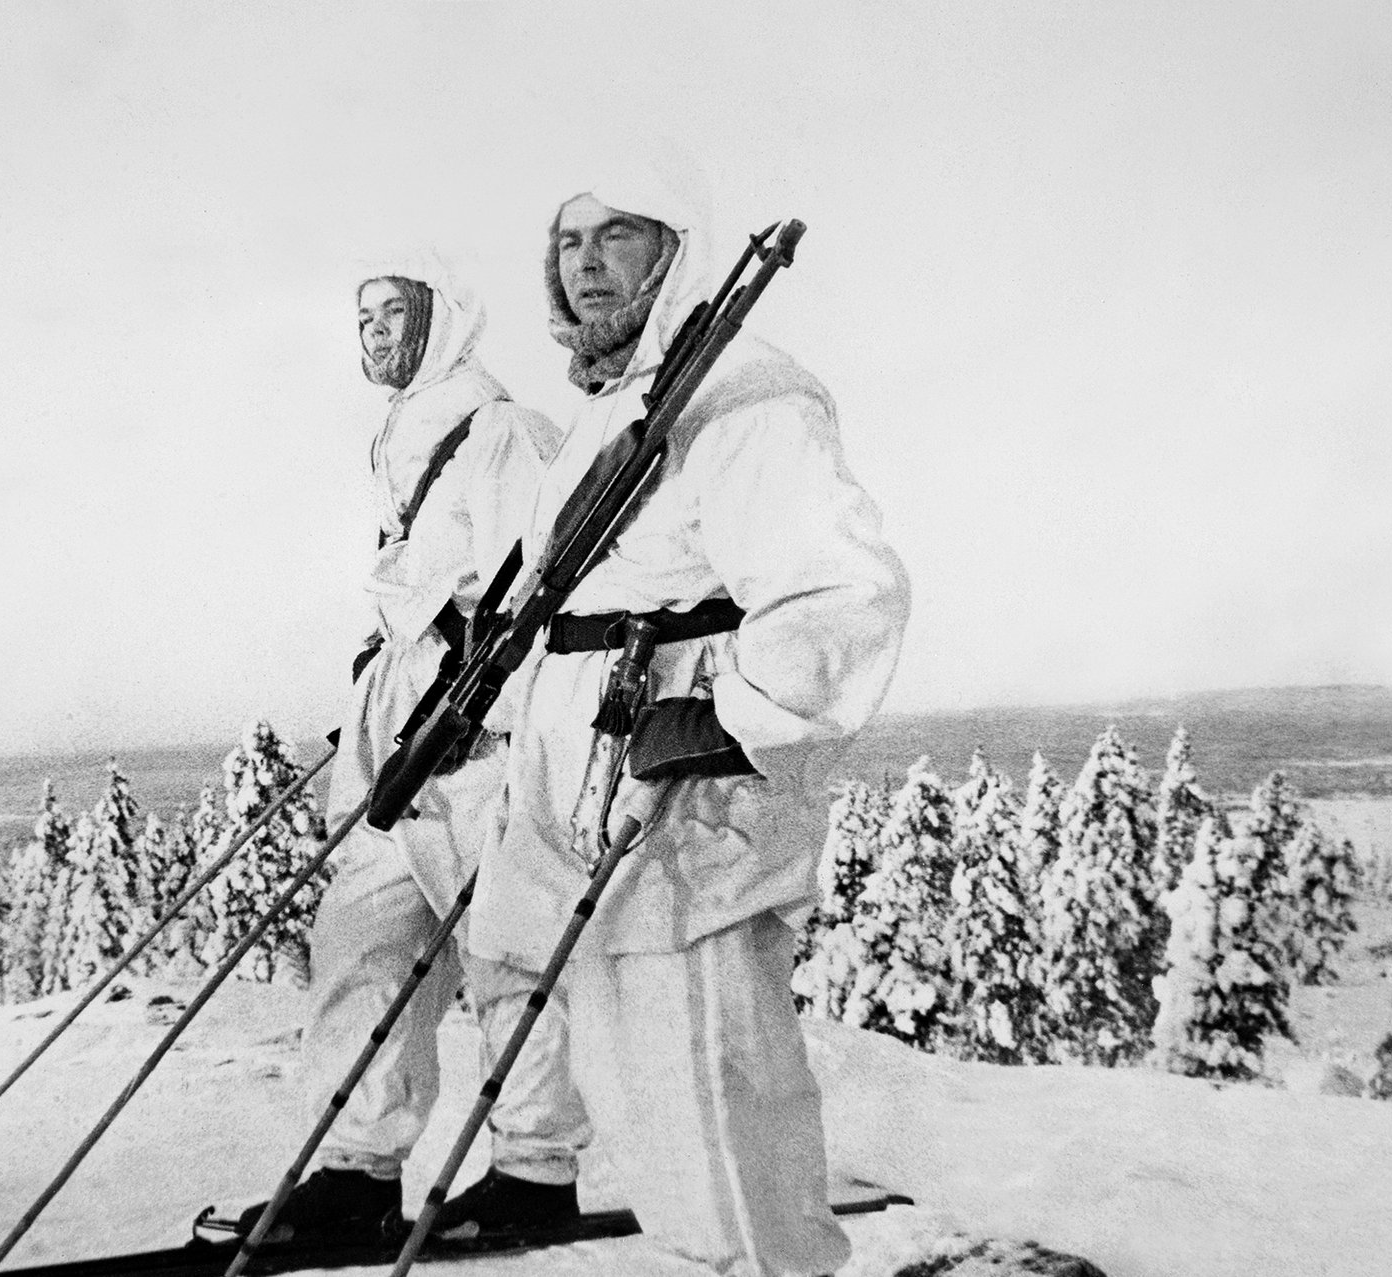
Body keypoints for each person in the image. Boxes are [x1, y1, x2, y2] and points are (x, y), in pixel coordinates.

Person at [466, 172, 911, 1277]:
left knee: (718, 1122)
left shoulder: (747, 395)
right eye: (568, 237)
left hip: (686, 811)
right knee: (650, 1123)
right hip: (587, 796)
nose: (587, 259)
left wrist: (723, 716)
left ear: (680, 248)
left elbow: (843, 590)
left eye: (620, 232)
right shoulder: (610, 414)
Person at [264, 252, 591, 1240]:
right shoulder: (400, 436)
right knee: (360, 942)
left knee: (508, 949)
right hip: (398, 735)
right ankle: (359, 1170)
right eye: (360, 315)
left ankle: (535, 1171)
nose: (371, 332)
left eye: (391, 312)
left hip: (482, 738)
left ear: (440, 318)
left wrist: (492, 712)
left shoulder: (499, 430)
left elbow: (544, 594)